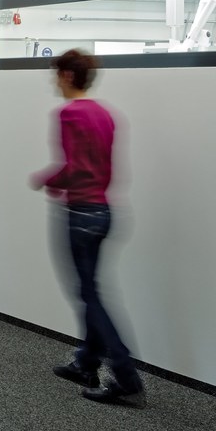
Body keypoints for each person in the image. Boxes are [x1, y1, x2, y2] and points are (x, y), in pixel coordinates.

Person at [29, 49, 145, 407]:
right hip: (105, 211)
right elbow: (99, 165)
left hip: (80, 214)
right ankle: (86, 362)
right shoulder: (105, 113)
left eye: (55, 74)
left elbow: (75, 167)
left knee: (89, 297)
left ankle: (126, 377)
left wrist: (47, 179)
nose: (53, 81)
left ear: (67, 75)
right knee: (90, 290)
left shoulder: (70, 113)